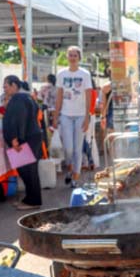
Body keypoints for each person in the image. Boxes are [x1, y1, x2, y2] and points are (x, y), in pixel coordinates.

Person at [53, 46, 93, 187]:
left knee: (77, 148)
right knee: (68, 148)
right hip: (65, 115)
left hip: (81, 115)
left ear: (79, 57)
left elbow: (89, 97)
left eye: (75, 55)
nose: (72, 57)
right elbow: (58, 96)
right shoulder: (61, 74)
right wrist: (55, 116)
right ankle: (69, 167)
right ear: (67, 57)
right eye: (70, 55)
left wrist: (88, 117)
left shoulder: (85, 74)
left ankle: (76, 176)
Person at [2, 75, 43, 210]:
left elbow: (19, 119)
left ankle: (33, 201)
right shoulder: (26, 97)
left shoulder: (19, 98)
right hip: (31, 136)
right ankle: (30, 198)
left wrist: (15, 138)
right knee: (28, 171)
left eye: (6, 86)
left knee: (28, 171)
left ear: (14, 85)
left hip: (25, 139)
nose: (4, 89)